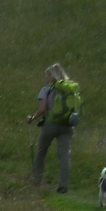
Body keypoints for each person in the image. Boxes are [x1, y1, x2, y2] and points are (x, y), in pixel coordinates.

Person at [28, 63, 73, 193]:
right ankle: (63, 186)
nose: (45, 77)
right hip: (68, 125)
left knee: (41, 152)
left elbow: (42, 109)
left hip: (51, 124)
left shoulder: (46, 89)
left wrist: (32, 118)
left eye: (46, 75)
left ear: (51, 76)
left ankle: (37, 180)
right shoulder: (69, 89)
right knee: (64, 155)